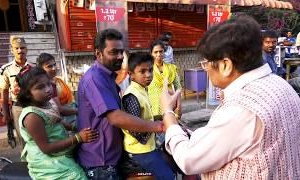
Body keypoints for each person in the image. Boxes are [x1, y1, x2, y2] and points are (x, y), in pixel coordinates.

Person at [160, 15, 300, 179]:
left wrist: (168, 113)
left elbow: (189, 159)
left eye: (205, 63)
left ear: (225, 65)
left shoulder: (242, 109)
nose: (205, 69)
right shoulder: (282, 85)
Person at [76, 28, 164, 179]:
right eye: (113, 52)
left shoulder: (108, 76)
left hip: (113, 154)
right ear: (98, 54)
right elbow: (115, 117)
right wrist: (158, 126)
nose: (119, 57)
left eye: (121, 52)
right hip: (100, 160)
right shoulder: (95, 79)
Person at [16, 66, 98, 179]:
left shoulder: (48, 102)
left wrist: (76, 121)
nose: (48, 89)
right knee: (78, 177)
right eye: (40, 87)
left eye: (48, 84)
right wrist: (77, 138)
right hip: (48, 159)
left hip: (60, 151)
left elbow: (56, 119)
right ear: (28, 94)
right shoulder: (32, 116)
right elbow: (46, 148)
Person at [121, 52, 174, 180]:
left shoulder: (142, 89)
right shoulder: (132, 96)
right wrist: (160, 126)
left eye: (150, 70)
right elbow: (136, 131)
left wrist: (164, 118)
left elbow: (146, 118)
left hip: (148, 147)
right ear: (131, 75)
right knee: (168, 176)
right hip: (139, 150)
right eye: (142, 71)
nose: (148, 75)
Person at [0, 36, 33, 149]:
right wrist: (6, 113)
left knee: (38, 134)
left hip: (34, 105)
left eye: (22, 47)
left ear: (27, 49)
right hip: (18, 107)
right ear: (12, 50)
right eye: (16, 48)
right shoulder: (6, 69)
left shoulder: (34, 67)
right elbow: (4, 92)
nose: (20, 50)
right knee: (23, 138)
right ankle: (27, 162)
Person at [36, 53, 77, 125]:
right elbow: (60, 110)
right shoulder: (48, 87)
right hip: (64, 121)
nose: (54, 68)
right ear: (41, 69)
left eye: (54, 64)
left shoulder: (57, 80)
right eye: (49, 66)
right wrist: (79, 111)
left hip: (70, 112)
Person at [148, 40, 181, 121]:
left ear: (164, 52)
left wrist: (179, 107)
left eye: (161, 51)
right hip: (152, 107)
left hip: (169, 106)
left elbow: (178, 87)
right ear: (151, 53)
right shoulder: (148, 69)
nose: (158, 54)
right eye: (155, 52)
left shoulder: (171, 68)